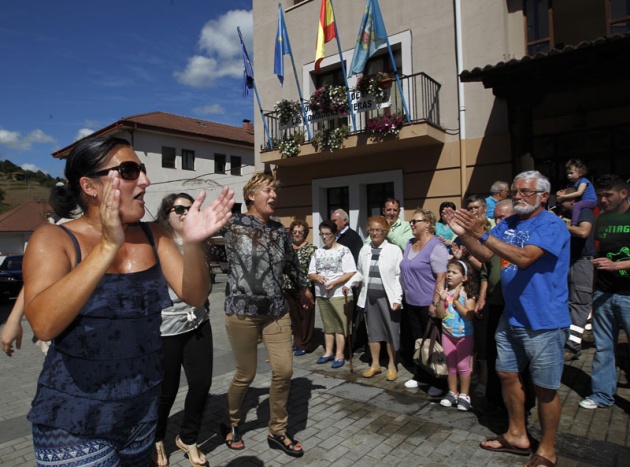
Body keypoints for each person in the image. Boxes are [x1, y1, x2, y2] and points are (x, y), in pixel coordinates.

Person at [22, 136, 234, 466]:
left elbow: (195, 295)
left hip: (140, 415)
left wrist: (192, 244)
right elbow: (44, 324)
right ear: (90, 186)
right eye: (130, 170)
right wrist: (107, 246)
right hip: (74, 422)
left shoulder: (155, 234)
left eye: (142, 170)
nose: (146, 180)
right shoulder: (53, 238)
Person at [444, 170, 570, 467]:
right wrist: (462, 233)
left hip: (543, 320)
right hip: (512, 316)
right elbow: (486, 254)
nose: (518, 196)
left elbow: (525, 258)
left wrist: (483, 232)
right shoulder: (511, 222)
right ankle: (517, 435)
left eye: (525, 191)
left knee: (545, 388)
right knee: (506, 375)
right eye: (515, 191)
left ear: (543, 196)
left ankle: (547, 451)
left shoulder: (552, 224)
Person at [220, 172, 312, 458]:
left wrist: (303, 288)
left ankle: (278, 430)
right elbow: (195, 228)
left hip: (275, 311)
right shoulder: (232, 224)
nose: (274, 195)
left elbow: (291, 263)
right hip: (242, 311)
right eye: (267, 190)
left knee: (284, 370)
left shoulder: (278, 229)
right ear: (251, 195)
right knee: (245, 374)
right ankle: (232, 421)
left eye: (275, 191)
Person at [152, 193, 214, 467]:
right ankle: (156, 438)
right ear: (166, 214)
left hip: (198, 323)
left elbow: (205, 286)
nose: (186, 212)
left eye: (190, 208)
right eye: (179, 208)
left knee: (201, 385)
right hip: (166, 329)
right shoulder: (156, 243)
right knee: (167, 390)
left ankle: (188, 438)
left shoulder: (199, 243)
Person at [579, 174, 630, 410]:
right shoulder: (602, 219)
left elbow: (611, 261)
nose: (603, 199)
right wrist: (592, 292)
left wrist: (618, 265)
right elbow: (598, 256)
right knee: (603, 348)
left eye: (608, 195)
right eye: (600, 195)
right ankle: (602, 395)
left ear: (623, 194)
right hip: (603, 294)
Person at [344, 216, 403, 381]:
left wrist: (398, 298)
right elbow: (360, 273)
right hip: (370, 298)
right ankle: (375, 364)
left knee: (392, 332)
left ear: (385, 232)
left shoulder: (394, 250)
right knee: (374, 333)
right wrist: (348, 284)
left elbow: (399, 276)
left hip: (388, 298)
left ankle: (392, 365)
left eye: (378, 230)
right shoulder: (365, 249)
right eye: (371, 230)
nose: (375, 233)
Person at [399, 208, 448, 397]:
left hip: (428, 302)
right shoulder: (409, 244)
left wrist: (435, 303)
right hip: (411, 301)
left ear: (428, 223)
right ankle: (422, 374)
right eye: (411, 222)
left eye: (415, 221)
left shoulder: (436, 246)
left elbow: (441, 277)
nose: (411, 224)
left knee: (433, 342)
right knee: (418, 340)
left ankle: (439, 380)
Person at [474, 199, 515, 406]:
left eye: (503, 217)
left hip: (511, 304)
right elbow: (485, 272)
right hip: (492, 302)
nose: (498, 220)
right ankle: (492, 395)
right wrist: (482, 297)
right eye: (496, 216)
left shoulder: (517, 239)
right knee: (489, 350)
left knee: (509, 358)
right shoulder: (492, 238)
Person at [308, 220, 357, 369]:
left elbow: (351, 271)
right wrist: (318, 277)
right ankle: (328, 352)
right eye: (322, 234)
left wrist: (335, 283)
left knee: (341, 325)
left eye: (327, 234)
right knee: (328, 324)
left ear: (335, 234)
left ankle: (339, 354)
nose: (324, 237)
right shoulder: (318, 251)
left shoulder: (344, 250)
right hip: (322, 293)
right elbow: (311, 272)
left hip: (339, 293)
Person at [556, 187, 596, 362]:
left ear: (572, 199)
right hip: (570, 261)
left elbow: (583, 232)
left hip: (583, 262)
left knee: (580, 303)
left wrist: (562, 225)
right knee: (568, 302)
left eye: (562, 199)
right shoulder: (567, 213)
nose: (558, 202)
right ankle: (567, 341)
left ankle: (573, 346)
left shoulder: (585, 212)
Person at [435, 259, 477, 411]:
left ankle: (465, 395)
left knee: (463, 366)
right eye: (449, 272)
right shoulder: (446, 292)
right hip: (448, 335)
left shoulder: (468, 294)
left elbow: (469, 315)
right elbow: (440, 315)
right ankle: (452, 392)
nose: (450, 275)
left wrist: (457, 302)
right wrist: (441, 299)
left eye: (454, 272)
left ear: (464, 277)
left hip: (464, 336)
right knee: (451, 366)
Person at [283, 220, 317, 356]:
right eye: (295, 232)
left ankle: (305, 344)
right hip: (288, 287)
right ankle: (297, 342)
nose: (297, 234)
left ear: (305, 234)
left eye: (300, 232)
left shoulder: (311, 249)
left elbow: (314, 269)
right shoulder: (287, 249)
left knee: (306, 318)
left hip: (305, 289)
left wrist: (307, 288)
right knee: (295, 318)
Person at [556, 159, 597, 226]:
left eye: (571, 173)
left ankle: (574, 224)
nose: (569, 175)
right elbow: (567, 191)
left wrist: (563, 197)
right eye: (568, 174)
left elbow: (579, 193)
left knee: (576, 206)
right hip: (582, 201)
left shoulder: (583, 181)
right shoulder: (571, 184)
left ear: (580, 172)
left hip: (590, 201)